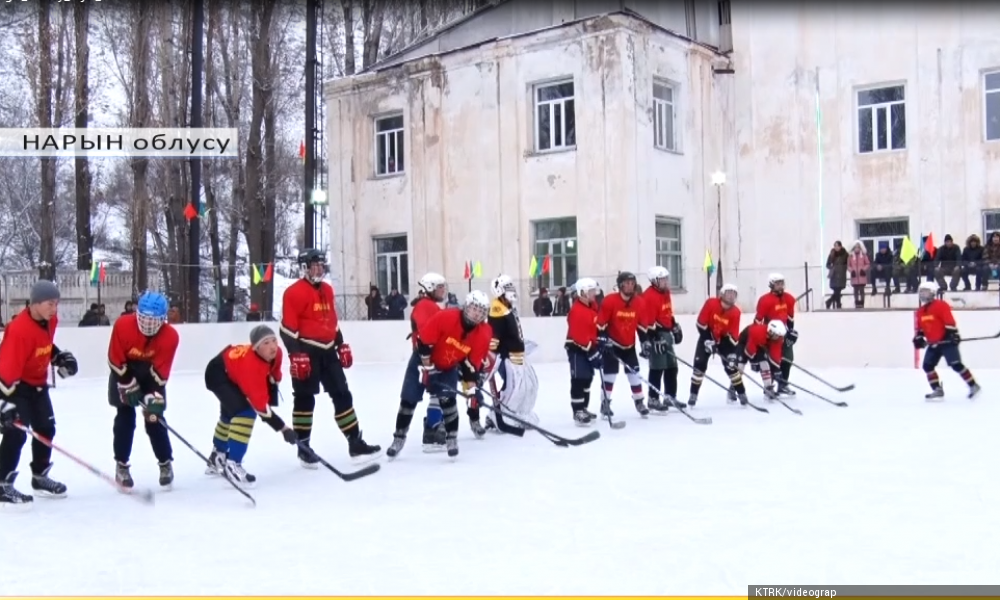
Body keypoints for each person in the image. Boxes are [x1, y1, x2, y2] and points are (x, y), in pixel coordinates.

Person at [280, 248, 380, 467]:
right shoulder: (293, 292)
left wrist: (340, 343)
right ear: (304, 267)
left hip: (328, 351)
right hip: (306, 351)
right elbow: (286, 329)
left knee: (343, 395)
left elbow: (332, 321)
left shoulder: (327, 289)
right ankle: (303, 447)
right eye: (314, 265)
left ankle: (355, 442)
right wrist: (296, 355)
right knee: (305, 399)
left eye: (321, 265)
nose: (319, 269)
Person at [0, 280, 78, 506]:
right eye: (49, 304)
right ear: (34, 304)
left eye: (56, 304)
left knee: (46, 428)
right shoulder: (19, 330)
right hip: (16, 387)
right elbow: (6, 367)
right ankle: (2, 484)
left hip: (38, 384)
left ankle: (40, 476)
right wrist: (4, 404)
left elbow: (43, 344)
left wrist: (58, 356)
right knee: (16, 433)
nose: (54, 309)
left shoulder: (50, 320)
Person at [204, 325, 298, 486]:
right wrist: (283, 429)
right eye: (266, 343)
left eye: (274, 340)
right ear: (256, 347)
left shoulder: (277, 353)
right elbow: (261, 407)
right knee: (245, 412)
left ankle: (217, 456)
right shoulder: (251, 367)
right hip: (217, 374)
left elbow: (275, 370)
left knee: (229, 413)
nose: (273, 346)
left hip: (231, 369)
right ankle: (233, 464)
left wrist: (274, 381)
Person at [108, 291, 179, 490]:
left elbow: (161, 371)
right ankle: (121, 465)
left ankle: (165, 462)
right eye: (144, 318)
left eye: (153, 320)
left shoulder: (170, 336)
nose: (148, 324)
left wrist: (153, 395)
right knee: (124, 418)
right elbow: (115, 358)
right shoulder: (122, 325)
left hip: (150, 374)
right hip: (124, 371)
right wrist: (127, 383)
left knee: (155, 419)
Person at [409, 290, 493, 458]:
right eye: (473, 308)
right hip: (444, 358)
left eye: (480, 310)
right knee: (440, 393)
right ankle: (434, 427)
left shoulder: (479, 329)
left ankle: (474, 419)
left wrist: (473, 378)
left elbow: (475, 354)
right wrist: (428, 363)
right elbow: (428, 339)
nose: (476, 313)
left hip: (463, 359)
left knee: (473, 392)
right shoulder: (443, 314)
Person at [387, 272, 449, 458]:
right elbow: (426, 333)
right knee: (410, 397)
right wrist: (426, 357)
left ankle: (433, 430)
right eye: (440, 287)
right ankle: (400, 437)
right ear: (429, 288)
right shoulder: (424, 306)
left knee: (439, 394)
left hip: (435, 356)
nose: (443, 290)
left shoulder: (432, 305)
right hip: (422, 358)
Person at [480, 275, 539, 435]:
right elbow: (495, 336)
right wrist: (491, 356)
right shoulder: (497, 309)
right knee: (513, 388)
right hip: (507, 357)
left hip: (517, 355)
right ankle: (498, 417)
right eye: (508, 288)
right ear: (499, 290)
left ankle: (518, 415)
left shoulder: (508, 307)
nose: (512, 291)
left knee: (528, 387)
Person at [913, 282, 981, 400]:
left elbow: (949, 322)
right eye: (921, 292)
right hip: (933, 343)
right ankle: (937, 389)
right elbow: (921, 329)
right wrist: (919, 337)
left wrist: (952, 335)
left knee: (956, 364)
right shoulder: (920, 311)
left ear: (933, 292)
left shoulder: (941, 305)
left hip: (946, 341)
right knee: (928, 366)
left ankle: (973, 385)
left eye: (925, 291)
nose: (923, 294)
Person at [596, 271, 649, 419]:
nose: (630, 287)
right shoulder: (610, 301)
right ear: (620, 285)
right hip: (612, 345)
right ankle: (605, 403)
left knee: (634, 373)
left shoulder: (639, 302)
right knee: (610, 375)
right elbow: (601, 324)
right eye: (627, 284)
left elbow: (641, 326)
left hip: (629, 345)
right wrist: (603, 340)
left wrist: (645, 341)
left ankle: (639, 401)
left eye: (632, 284)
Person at [688, 284, 748, 407]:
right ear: (721, 294)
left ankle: (742, 394)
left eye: (734, 294)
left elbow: (733, 336)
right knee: (699, 366)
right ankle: (693, 395)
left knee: (732, 367)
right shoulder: (711, 303)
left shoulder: (736, 312)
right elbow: (700, 323)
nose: (731, 296)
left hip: (724, 340)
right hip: (707, 335)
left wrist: (732, 353)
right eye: (728, 293)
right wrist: (708, 340)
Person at [640, 266, 683, 411]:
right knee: (658, 367)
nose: (666, 282)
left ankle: (670, 396)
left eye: (666, 279)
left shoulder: (665, 293)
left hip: (667, 333)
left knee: (672, 367)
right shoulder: (649, 296)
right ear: (654, 281)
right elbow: (648, 321)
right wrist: (655, 338)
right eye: (662, 279)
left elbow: (667, 312)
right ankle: (653, 398)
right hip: (656, 335)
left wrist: (674, 325)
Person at [565, 278, 602, 425]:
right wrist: (591, 351)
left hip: (588, 348)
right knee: (578, 379)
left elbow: (593, 328)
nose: (594, 294)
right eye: (591, 291)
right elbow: (578, 334)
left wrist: (600, 341)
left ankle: (584, 408)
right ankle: (577, 411)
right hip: (576, 349)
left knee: (587, 379)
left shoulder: (592, 307)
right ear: (583, 293)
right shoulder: (577, 310)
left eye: (594, 290)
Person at [754, 273, 798, 396]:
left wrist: (791, 332)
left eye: (781, 283)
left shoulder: (789, 298)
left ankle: (783, 384)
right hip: (771, 334)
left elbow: (790, 318)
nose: (780, 286)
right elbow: (758, 320)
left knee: (788, 358)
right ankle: (769, 386)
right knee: (773, 360)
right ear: (771, 285)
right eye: (777, 284)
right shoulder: (764, 300)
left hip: (783, 333)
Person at [732, 320, 787, 401]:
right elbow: (749, 349)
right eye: (777, 336)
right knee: (740, 366)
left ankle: (768, 388)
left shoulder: (777, 338)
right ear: (770, 331)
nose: (778, 338)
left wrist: (777, 370)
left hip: (759, 344)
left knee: (765, 364)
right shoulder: (758, 332)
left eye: (780, 336)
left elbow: (775, 353)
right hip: (744, 343)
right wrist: (754, 361)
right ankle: (733, 388)